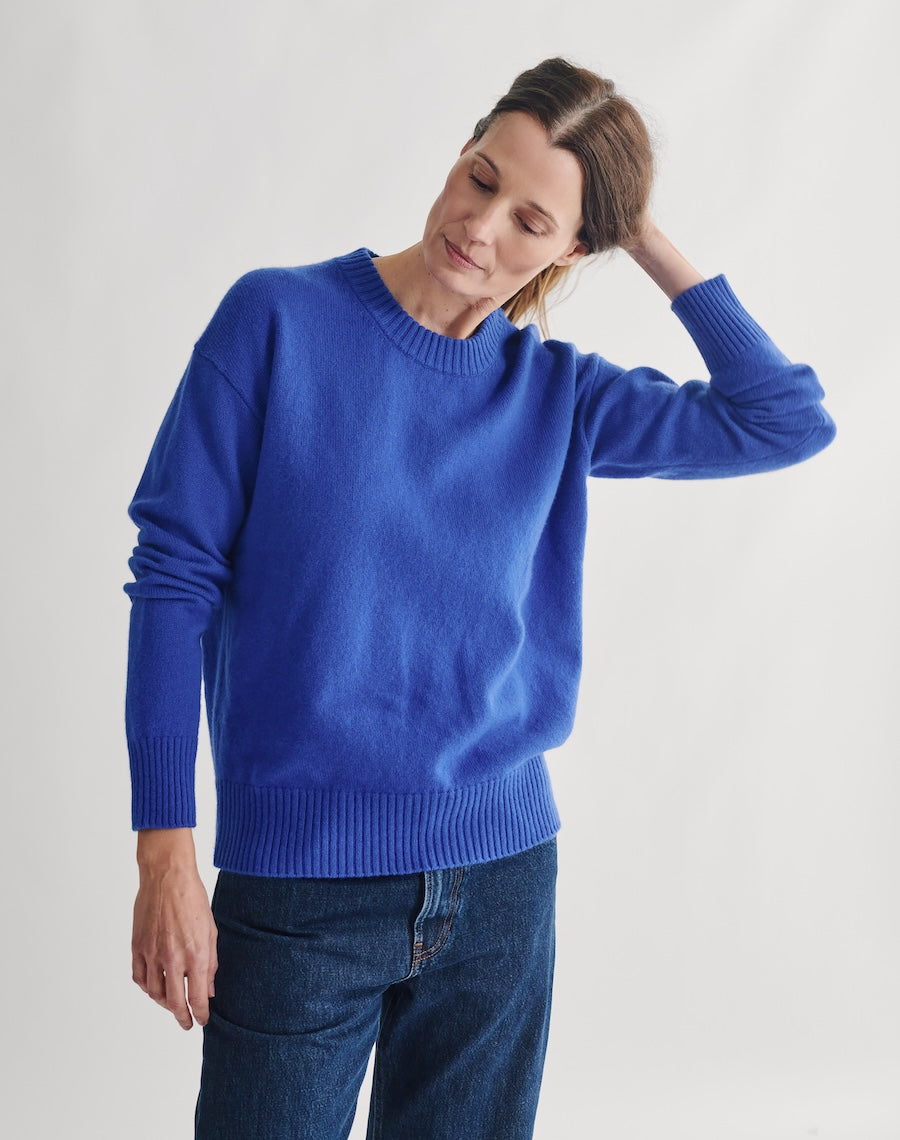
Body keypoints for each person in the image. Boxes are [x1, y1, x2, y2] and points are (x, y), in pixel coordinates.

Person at [125, 57, 835, 1139]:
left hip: (500, 885)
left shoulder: (557, 394)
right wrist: (163, 850)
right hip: (299, 886)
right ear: (461, 152)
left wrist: (643, 231)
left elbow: (784, 420)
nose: (480, 226)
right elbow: (174, 578)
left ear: (574, 250)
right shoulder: (277, 320)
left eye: (532, 220)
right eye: (481, 177)